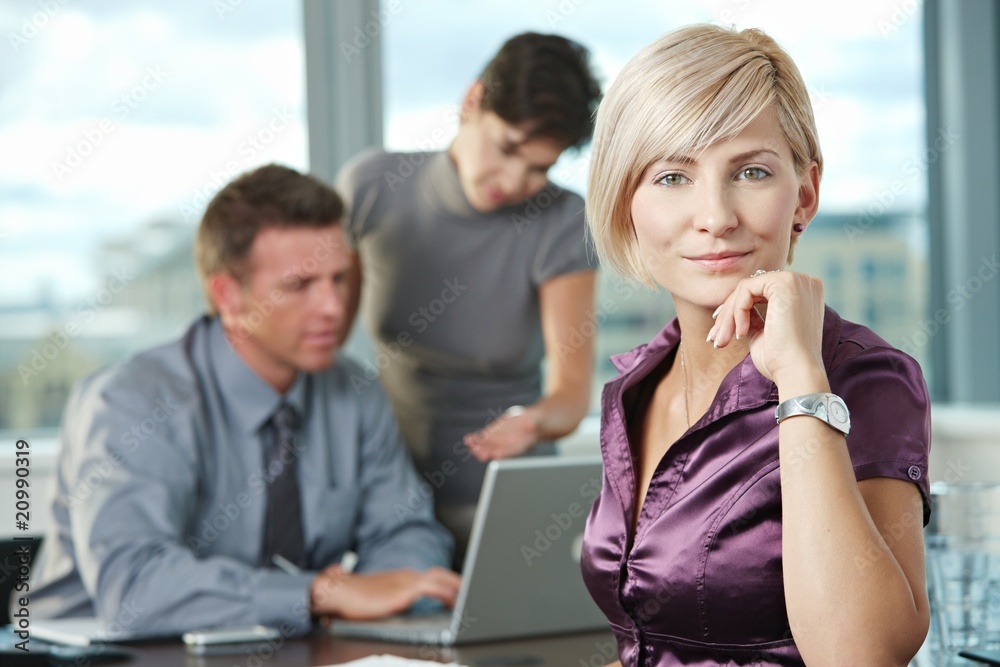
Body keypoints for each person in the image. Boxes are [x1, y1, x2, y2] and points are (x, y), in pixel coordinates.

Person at [580, 24, 931, 666]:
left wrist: (800, 379)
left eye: (750, 171)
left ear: (805, 194)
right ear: (625, 200)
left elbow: (863, 656)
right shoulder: (633, 387)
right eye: (671, 177)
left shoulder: (863, 378)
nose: (715, 216)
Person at [23, 164, 460, 637]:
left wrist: (388, 594)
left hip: (272, 648)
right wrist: (318, 594)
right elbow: (134, 587)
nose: (334, 307)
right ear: (228, 296)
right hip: (100, 653)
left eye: (338, 279)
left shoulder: (353, 392)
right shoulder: (133, 401)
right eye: (299, 285)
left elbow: (406, 532)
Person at [337, 31, 603, 560]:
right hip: (389, 502)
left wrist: (532, 421)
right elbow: (321, 344)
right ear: (472, 100)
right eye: (507, 148)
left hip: (505, 505)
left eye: (539, 168)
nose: (514, 180)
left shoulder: (562, 221)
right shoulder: (373, 186)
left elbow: (570, 395)